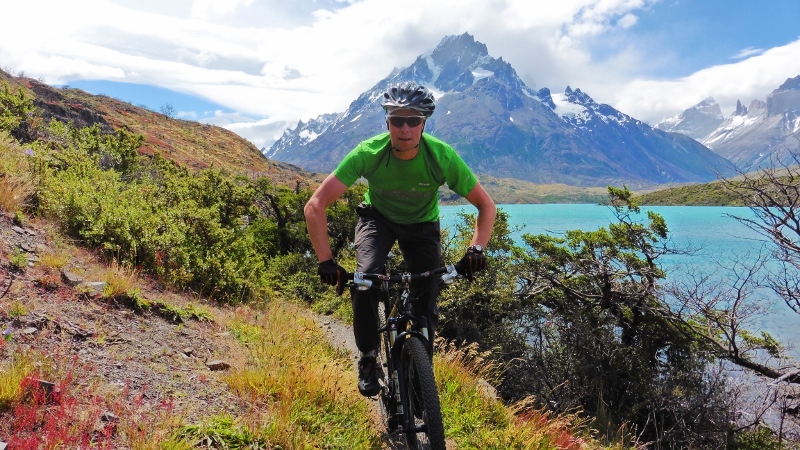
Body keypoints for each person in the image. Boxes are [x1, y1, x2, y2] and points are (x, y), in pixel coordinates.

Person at [304, 81, 496, 397]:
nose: (404, 128)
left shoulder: (442, 157)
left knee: (427, 301)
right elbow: (315, 205)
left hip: (421, 225)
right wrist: (326, 261)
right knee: (365, 281)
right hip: (377, 220)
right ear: (387, 122)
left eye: (413, 120)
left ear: (423, 124)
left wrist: (477, 248)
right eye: (397, 120)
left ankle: (421, 375)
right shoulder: (369, 153)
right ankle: (368, 359)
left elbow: (486, 205)